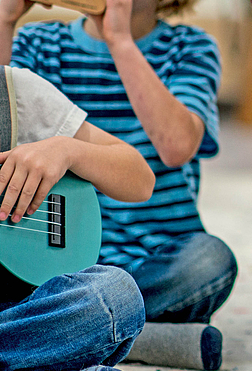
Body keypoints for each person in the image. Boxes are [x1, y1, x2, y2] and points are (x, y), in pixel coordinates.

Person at [0, 0, 235, 371]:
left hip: (157, 257)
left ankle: (74, 324)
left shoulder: (190, 50)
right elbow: (1, 115)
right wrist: (5, 21)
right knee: (79, 291)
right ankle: (125, 332)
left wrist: (123, 43)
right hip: (52, 255)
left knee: (212, 261)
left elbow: (176, 147)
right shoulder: (41, 44)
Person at [0, 62, 155, 371]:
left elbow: (141, 180)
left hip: (14, 311)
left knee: (114, 296)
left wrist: (67, 149)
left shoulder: (12, 90)